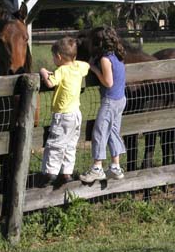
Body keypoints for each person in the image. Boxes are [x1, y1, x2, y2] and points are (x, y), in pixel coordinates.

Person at [39, 37, 90, 187]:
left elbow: (50, 83)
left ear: (59, 57)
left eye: (54, 57)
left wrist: (43, 72)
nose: (53, 60)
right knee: (70, 144)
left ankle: (50, 173)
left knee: (55, 144)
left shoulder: (61, 70)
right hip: (76, 114)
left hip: (62, 115)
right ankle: (67, 173)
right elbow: (87, 65)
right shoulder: (79, 67)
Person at [79, 26, 127, 183]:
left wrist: (94, 68)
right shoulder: (118, 56)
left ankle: (97, 168)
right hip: (120, 100)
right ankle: (115, 166)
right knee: (113, 132)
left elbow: (108, 81)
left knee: (99, 133)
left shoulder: (105, 60)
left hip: (110, 101)